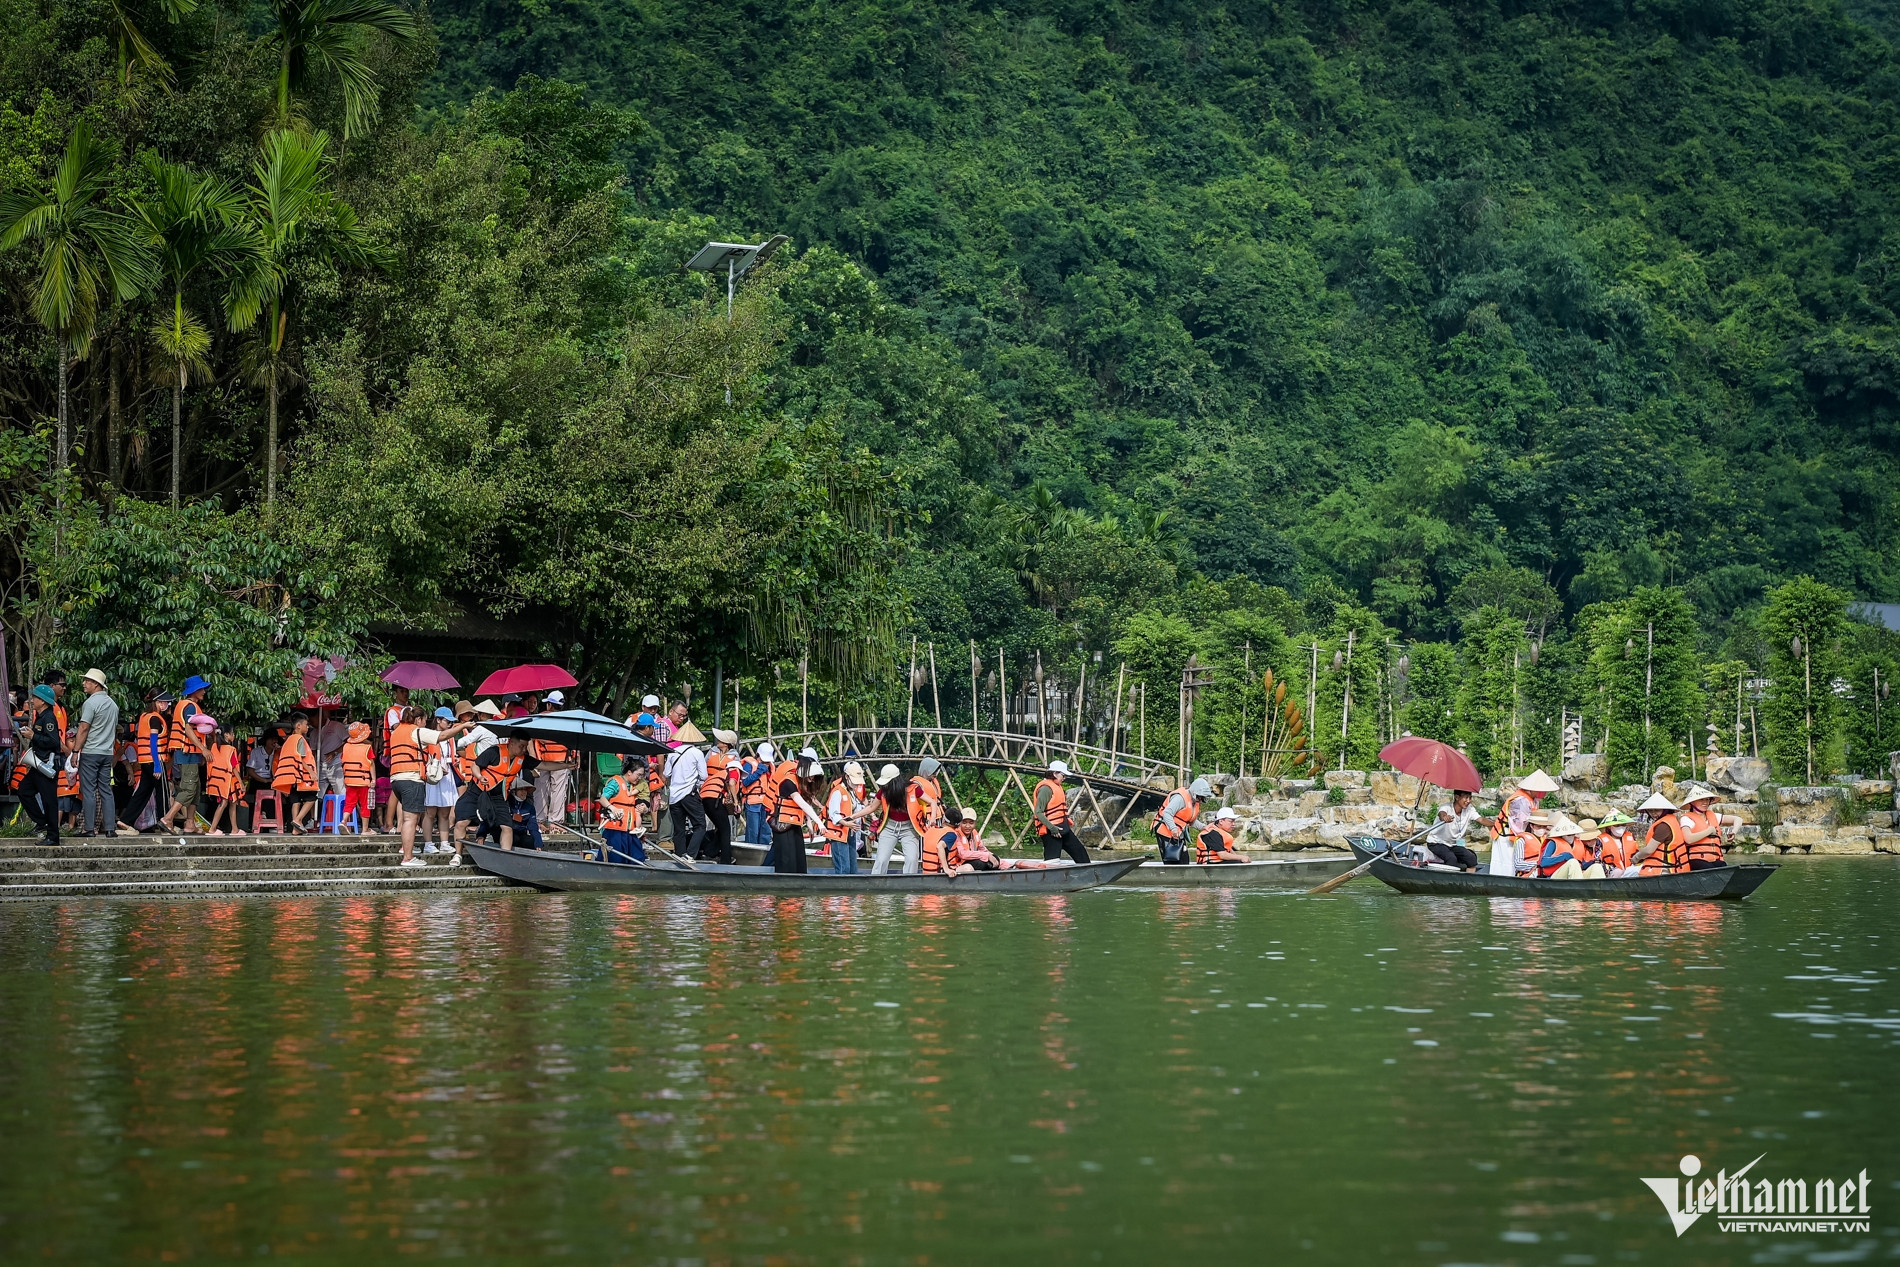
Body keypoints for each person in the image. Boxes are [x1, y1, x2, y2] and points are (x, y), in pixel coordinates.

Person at [388, 707, 476, 865]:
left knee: (410, 818)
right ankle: (408, 857)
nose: (424, 723)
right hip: (411, 777)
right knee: (410, 819)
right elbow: (441, 736)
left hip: (396, 778)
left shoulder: (397, 732)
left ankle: (406, 849)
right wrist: (462, 726)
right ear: (418, 719)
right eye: (424, 720)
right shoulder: (416, 731)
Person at [159, 677, 212, 834]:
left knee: (195, 788)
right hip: (187, 752)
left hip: (189, 753)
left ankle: (190, 824)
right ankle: (167, 818)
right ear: (194, 691)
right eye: (201, 689)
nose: (204, 691)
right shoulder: (190, 706)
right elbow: (188, 730)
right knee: (189, 788)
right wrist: (203, 748)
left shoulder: (188, 705)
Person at [73, 668, 120, 839]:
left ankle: (89, 828)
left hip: (91, 752)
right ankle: (109, 828)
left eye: (87, 681)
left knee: (89, 791)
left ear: (96, 684)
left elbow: (84, 728)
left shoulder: (91, 703)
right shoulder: (113, 705)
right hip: (107, 752)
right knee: (106, 790)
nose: (84, 684)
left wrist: (75, 751)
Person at [765, 751, 825, 874]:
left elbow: (806, 802)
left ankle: (799, 887)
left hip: (794, 824)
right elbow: (801, 803)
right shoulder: (789, 782)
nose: (812, 778)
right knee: (787, 861)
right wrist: (819, 822)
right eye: (810, 775)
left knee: (799, 860)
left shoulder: (803, 783)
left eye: (814, 775)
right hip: (782, 824)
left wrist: (809, 823)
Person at [472, 735, 535, 850]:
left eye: (526, 790)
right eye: (521, 789)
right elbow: (487, 818)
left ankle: (506, 854)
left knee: (527, 839)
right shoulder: (494, 752)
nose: (523, 793)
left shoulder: (528, 806)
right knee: (489, 818)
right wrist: (481, 834)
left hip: (518, 833)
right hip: (488, 797)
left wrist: (566, 765)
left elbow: (533, 826)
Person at [120, 690, 171, 832]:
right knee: (163, 792)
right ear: (158, 702)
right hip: (155, 759)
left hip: (145, 760)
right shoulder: (155, 719)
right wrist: (157, 765)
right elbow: (153, 742)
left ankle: (126, 820)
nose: (166, 705)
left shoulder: (144, 717)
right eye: (165, 702)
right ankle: (165, 822)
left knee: (142, 792)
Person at [17, 686, 62, 845]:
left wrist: (33, 735)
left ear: (42, 701)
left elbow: (54, 742)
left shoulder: (48, 718)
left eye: (35, 698)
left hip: (47, 765)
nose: (32, 700)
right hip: (39, 764)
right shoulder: (41, 716)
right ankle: (41, 822)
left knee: (49, 800)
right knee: (24, 791)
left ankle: (53, 836)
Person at [664, 721, 711, 858]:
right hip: (689, 794)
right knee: (700, 825)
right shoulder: (697, 753)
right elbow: (704, 775)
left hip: (674, 795)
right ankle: (690, 854)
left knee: (678, 830)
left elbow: (666, 774)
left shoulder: (672, 752)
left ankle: (680, 855)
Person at [1033, 760, 1092, 864]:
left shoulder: (1057, 786)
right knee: (1052, 861)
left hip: (1063, 829)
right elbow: (1038, 812)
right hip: (1051, 832)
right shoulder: (1045, 789)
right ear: (1055, 773)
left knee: (1080, 853)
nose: (1065, 778)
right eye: (1063, 775)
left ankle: (1087, 871)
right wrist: (1052, 828)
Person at [421, 706, 462, 854]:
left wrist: (455, 761)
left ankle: (444, 842)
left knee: (445, 812)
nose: (450, 724)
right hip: (433, 776)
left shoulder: (450, 739)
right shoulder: (429, 736)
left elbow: (451, 755)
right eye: (447, 721)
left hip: (447, 775)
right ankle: (428, 843)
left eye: (451, 722)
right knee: (430, 812)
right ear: (438, 720)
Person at [824, 760, 875, 875]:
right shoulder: (838, 791)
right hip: (839, 835)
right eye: (855, 781)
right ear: (846, 777)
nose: (857, 784)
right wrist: (846, 823)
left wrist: (869, 807)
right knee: (843, 868)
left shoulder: (851, 791)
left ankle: (851, 892)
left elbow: (856, 808)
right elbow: (833, 814)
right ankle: (841, 892)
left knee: (853, 869)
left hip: (850, 834)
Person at [273, 714, 321, 833]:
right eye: (306, 724)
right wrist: (311, 772)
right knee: (311, 797)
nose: (308, 727)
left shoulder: (289, 739)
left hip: (292, 775)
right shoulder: (300, 739)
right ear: (299, 726)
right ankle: (298, 820)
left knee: (295, 800)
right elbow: (300, 757)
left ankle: (296, 829)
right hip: (303, 775)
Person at [699, 728, 739, 865]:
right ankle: (725, 859)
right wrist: (736, 802)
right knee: (724, 828)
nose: (717, 740)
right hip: (708, 792)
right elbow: (702, 769)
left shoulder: (735, 757)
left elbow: (732, 779)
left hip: (720, 796)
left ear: (727, 743)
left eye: (720, 739)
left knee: (720, 827)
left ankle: (710, 853)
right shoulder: (711, 752)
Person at [871, 763, 917, 875]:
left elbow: (931, 802)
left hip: (909, 828)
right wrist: (853, 816)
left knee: (912, 859)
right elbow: (871, 807)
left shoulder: (912, 789)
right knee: (881, 860)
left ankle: (910, 887)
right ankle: (875, 886)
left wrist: (932, 818)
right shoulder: (884, 791)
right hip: (889, 827)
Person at [1153, 777, 1212, 864]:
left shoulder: (1194, 802)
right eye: (1200, 797)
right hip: (1165, 831)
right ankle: (1171, 874)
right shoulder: (1180, 798)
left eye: (1203, 797)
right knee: (1172, 859)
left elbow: (1191, 820)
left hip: (1179, 832)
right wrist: (1173, 829)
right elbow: (1167, 813)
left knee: (1184, 859)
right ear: (1194, 792)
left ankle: (1184, 874)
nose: (1200, 799)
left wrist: (1204, 827)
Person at [1677, 786, 1737, 869]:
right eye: (1701, 800)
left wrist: (1734, 831)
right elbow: (1688, 839)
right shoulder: (1686, 819)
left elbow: (1738, 819)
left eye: (1707, 799)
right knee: (1708, 868)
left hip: (1715, 859)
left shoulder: (1714, 816)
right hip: (1696, 860)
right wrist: (1709, 831)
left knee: (1722, 865)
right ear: (1692, 802)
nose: (1705, 802)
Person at [1491, 768, 1557, 842]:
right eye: (1541, 790)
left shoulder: (1535, 799)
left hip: (1523, 832)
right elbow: (1519, 825)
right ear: (1532, 788)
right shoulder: (1521, 801)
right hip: (1508, 834)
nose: (1543, 792)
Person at [1426, 789, 1481, 871]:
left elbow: (1481, 820)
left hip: (1453, 845)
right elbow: (1442, 814)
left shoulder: (1469, 809)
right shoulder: (1446, 807)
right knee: (1451, 858)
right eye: (1466, 798)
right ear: (1457, 797)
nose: (1468, 801)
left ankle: (1469, 882)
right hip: (1436, 843)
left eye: (1470, 798)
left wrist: (1496, 823)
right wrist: (1445, 817)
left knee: (1471, 857)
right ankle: (1448, 881)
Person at [598, 770, 646, 862]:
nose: (640, 778)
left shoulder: (637, 786)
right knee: (615, 859)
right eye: (638, 775)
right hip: (615, 831)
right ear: (629, 772)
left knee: (637, 859)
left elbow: (643, 803)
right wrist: (612, 808)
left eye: (641, 775)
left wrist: (644, 808)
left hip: (631, 831)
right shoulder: (615, 782)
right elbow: (603, 799)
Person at [204, 728, 244, 835]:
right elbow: (234, 767)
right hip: (229, 782)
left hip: (218, 781)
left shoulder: (214, 747)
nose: (234, 735)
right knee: (225, 803)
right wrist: (241, 782)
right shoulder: (230, 749)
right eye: (232, 733)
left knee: (230, 803)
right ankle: (213, 829)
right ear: (226, 735)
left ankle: (234, 829)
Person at [340, 722, 376, 834]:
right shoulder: (367, 748)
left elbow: (343, 762)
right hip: (363, 781)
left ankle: (343, 821)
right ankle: (365, 830)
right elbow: (371, 764)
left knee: (349, 803)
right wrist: (373, 779)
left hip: (349, 780)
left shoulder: (345, 746)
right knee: (365, 804)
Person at [741, 743, 772, 844]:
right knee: (753, 831)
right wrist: (758, 772)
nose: (765, 763)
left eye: (767, 762)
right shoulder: (749, 765)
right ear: (757, 756)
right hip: (752, 802)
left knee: (765, 831)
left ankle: (764, 855)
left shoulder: (770, 768)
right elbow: (745, 782)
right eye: (763, 761)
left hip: (766, 803)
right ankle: (751, 855)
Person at [1513, 811, 1552, 876]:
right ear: (1531, 826)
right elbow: (1518, 864)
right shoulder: (1521, 841)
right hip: (1530, 874)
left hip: (1546, 871)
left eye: (1544, 827)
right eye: (1539, 826)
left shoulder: (1548, 840)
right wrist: (1538, 864)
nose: (1542, 829)